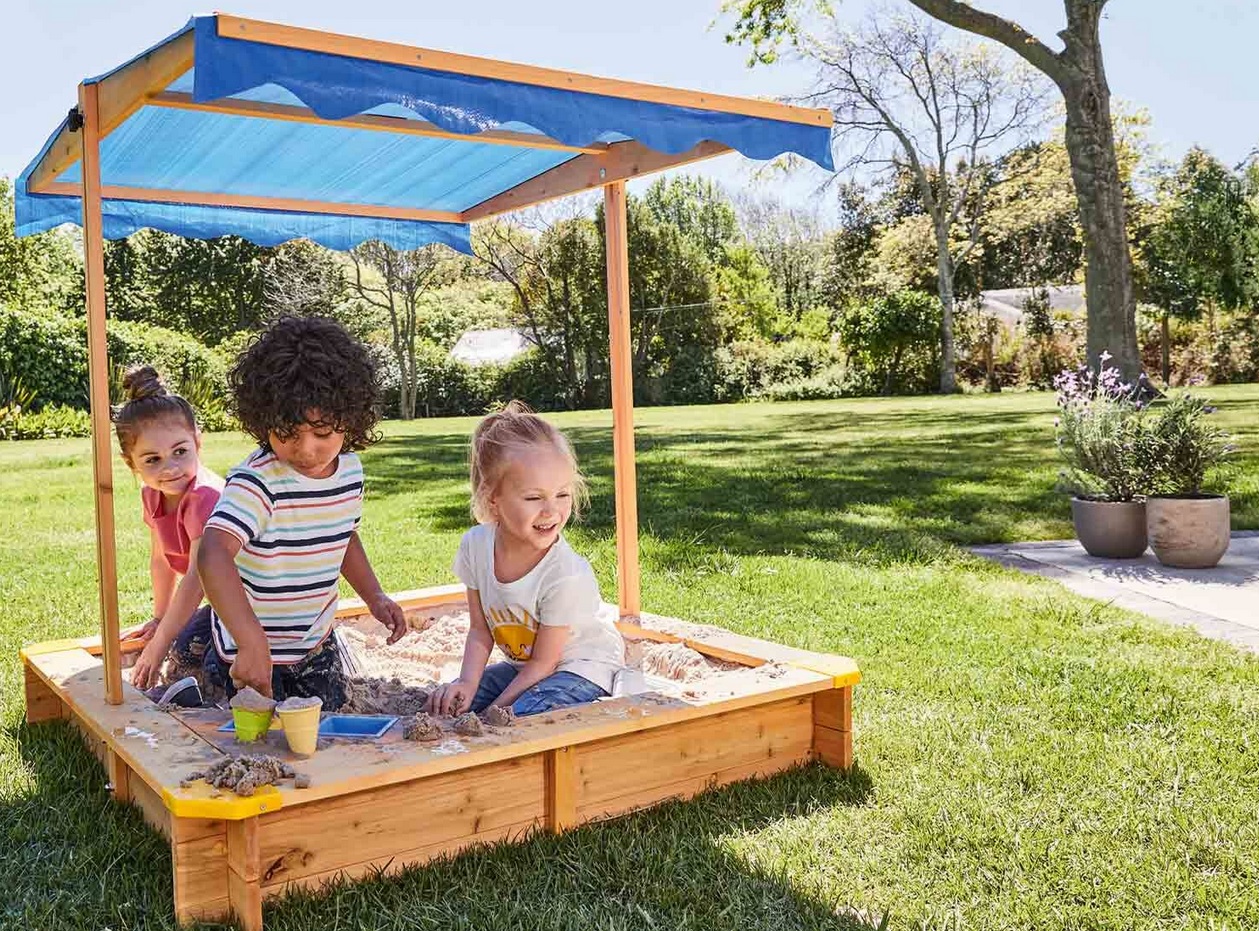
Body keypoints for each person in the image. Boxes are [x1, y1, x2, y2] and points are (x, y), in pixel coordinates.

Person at [197, 316, 406, 709]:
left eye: (323, 434)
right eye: (288, 434)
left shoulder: (349, 473)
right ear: (263, 421)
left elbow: (341, 536)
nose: (306, 450)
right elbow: (212, 553)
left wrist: (374, 595)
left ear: (351, 418)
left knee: (324, 737)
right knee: (249, 744)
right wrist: (250, 640)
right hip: (247, 652)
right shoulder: (257, 482)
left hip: (314, 646)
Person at [427, 401, 624, 717]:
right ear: (493, 499)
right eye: (534, 497)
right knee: (451, 703)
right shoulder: (475, 547)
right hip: (524, 668)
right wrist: (467, 682)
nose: (551, 511)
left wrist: (494, 712)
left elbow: (545, 663)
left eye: (562, 494)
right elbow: (480, 631)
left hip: (581, 668)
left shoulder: (565, 575)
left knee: (522, 714)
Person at [113, 365, 223, 693]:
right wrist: (160, 620)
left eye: (180, 451)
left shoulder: (205, 496)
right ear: (130, 463)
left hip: (257, 602)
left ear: (197, 443)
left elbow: (197, 578)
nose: (170, 468)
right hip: (220, 605)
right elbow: (161, 560)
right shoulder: (152, 495)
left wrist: (159, 643)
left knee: (209, 663)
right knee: (186, 650)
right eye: (152, 460)